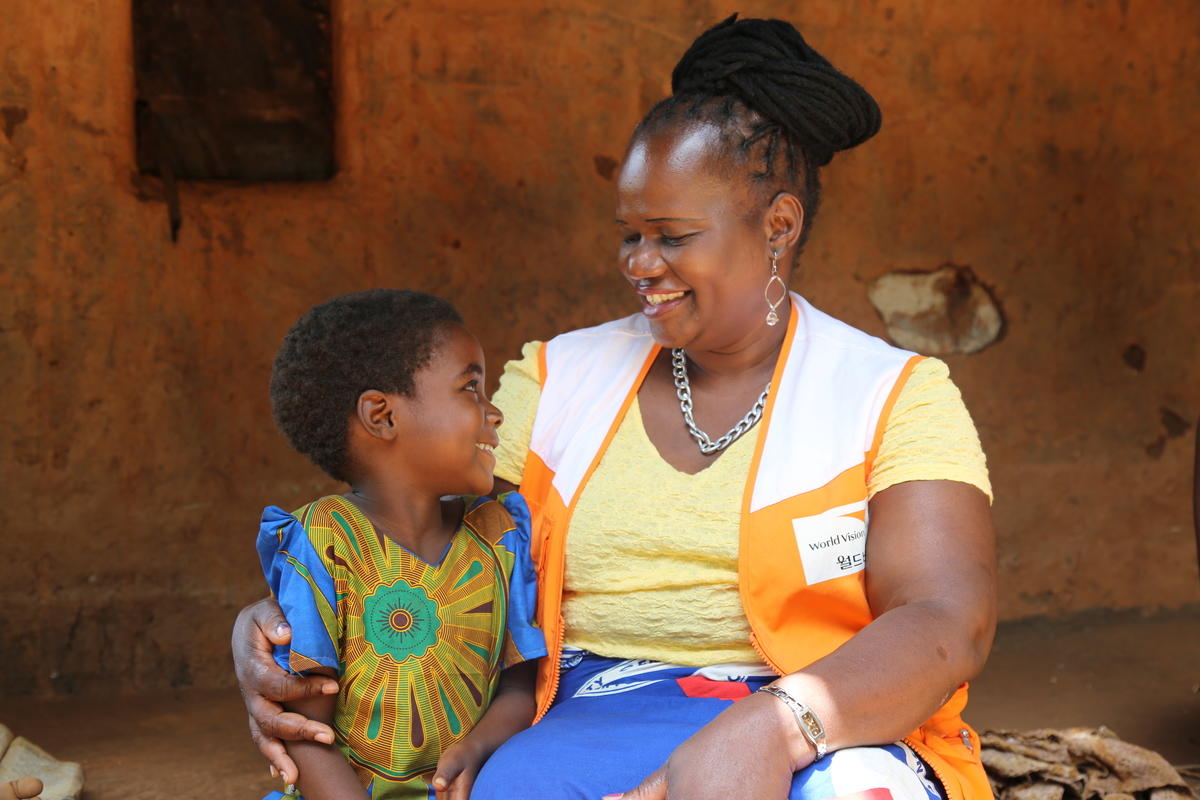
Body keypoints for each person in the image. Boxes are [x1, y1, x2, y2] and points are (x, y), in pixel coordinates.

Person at [232, 16, 996, 800]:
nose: (641, 264)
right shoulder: (559, 377)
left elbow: (945, 617)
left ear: (779, 225)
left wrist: (774, 726)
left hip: (823, 719)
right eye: (629, 235)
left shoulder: (893, 392)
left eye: (672, 235)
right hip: (584, 710)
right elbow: (408, 538)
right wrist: (282, 617)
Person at [253, 289, 546, 799]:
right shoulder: (325, 540)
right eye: (470, 389)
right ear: (382, 416)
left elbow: (520, 687)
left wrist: (477, 748)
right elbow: (308, 732)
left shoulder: (499, 535)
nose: (493, 413)